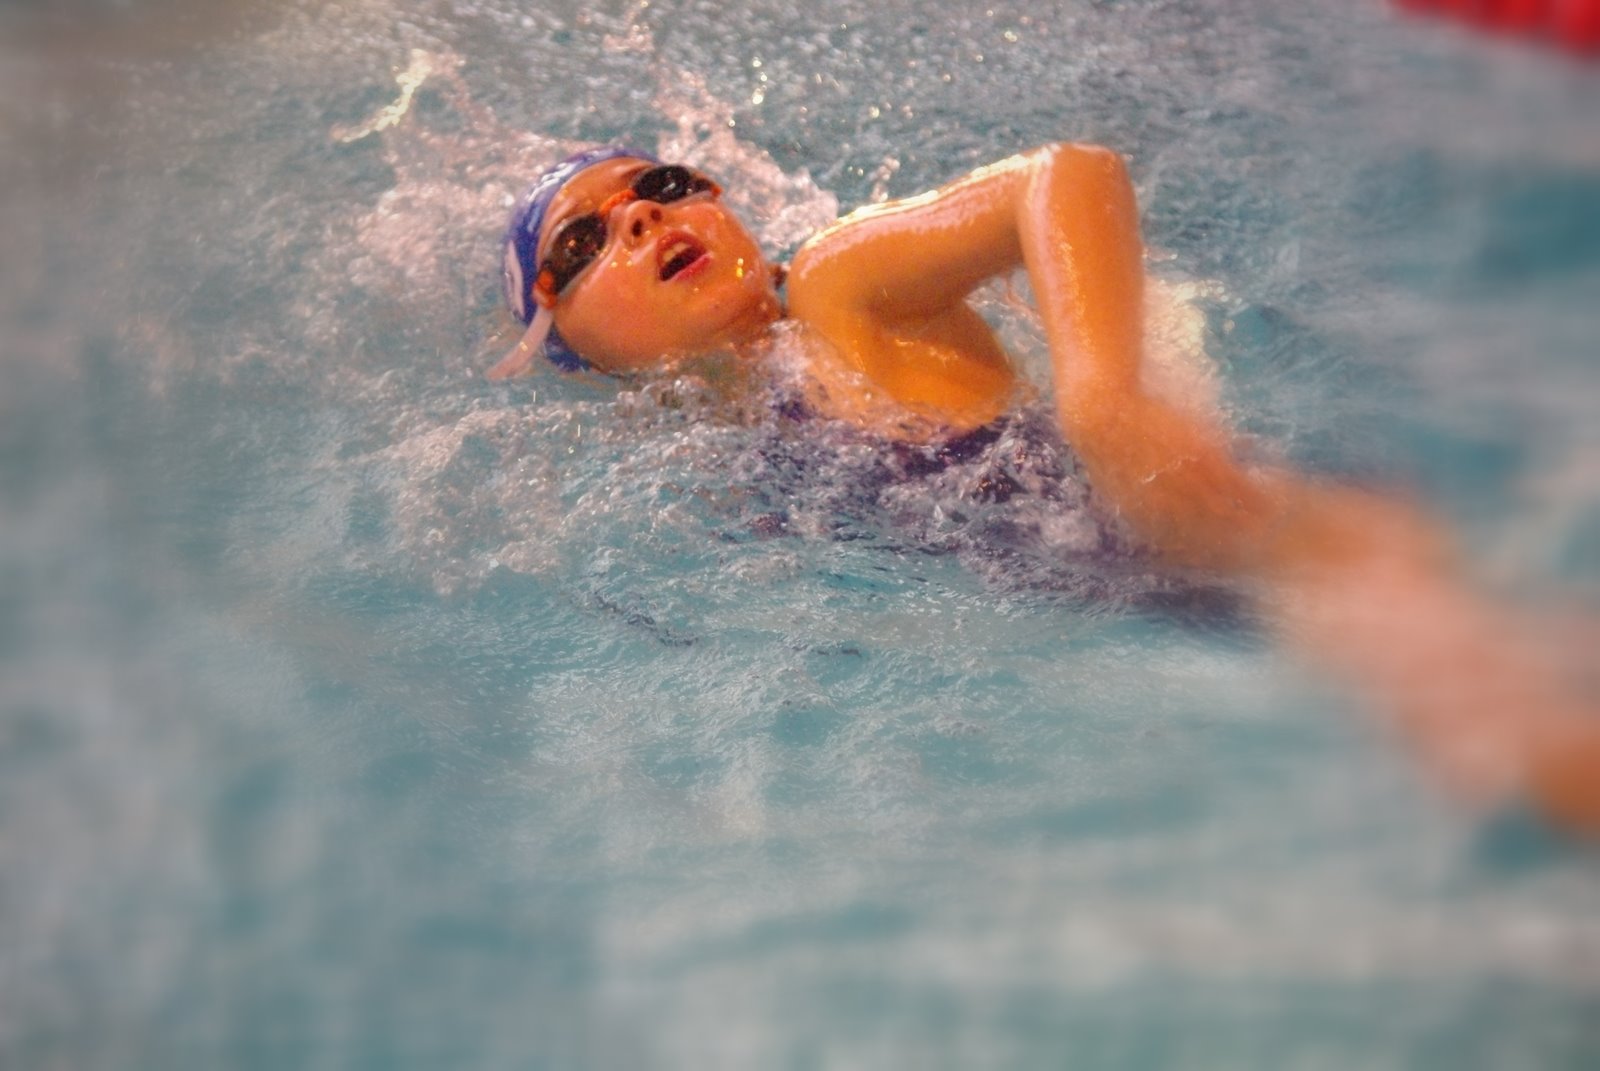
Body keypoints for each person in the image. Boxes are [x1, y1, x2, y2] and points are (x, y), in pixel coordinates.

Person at [489, 143, 1600, 835]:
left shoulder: (836, 291)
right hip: (1208, 601)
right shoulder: (712, 459)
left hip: (1271, 543)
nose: (642, 217)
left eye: (663, 186)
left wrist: (1106, 399)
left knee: (1527, 753)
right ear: (564, 345)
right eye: (585, 242)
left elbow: (1062, 174)